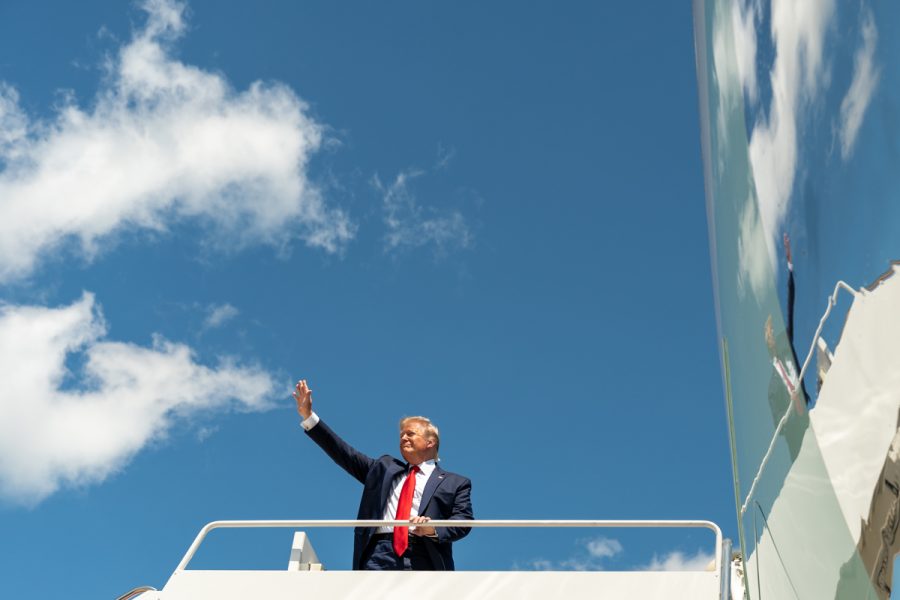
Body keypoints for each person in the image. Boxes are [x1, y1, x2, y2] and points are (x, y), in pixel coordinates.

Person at [292, 379, 473, 571]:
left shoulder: (456, 482)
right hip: (378, 553)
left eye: (410, 434)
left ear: (430, 442)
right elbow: (344, 453)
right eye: (401, 435)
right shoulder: (383, 469)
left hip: (425, 554)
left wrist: (432, 528)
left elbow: (463, 522)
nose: (403, 437)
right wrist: (309, 417)